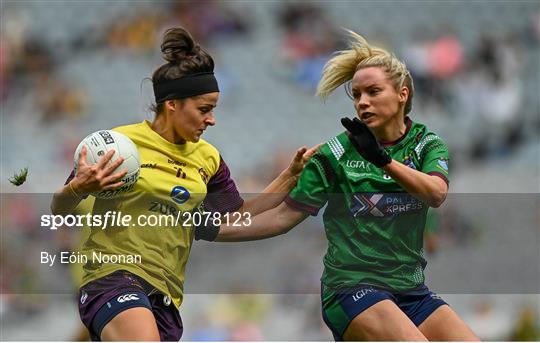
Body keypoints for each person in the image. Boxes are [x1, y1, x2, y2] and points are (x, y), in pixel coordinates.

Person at [196, 30, 479, 341]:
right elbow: (281, 218)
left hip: (410, 291)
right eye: (356, 95)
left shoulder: (427, 143)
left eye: (373, 91)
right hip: (352, 289)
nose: (363, 102)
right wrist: (209, 230)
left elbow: (436, 194)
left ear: (403, 94)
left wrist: (382, 160)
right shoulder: (334, 154)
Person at [50, 27, 316, 341]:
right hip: (112, 278)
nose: (212, 119)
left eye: (213, 109)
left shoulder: (209, 159)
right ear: (172, 104)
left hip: (165, 293)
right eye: (204, 109)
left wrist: (289, 176)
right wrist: (79, 187)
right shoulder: (117, 144)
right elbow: (60, 209)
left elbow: (238, 213)